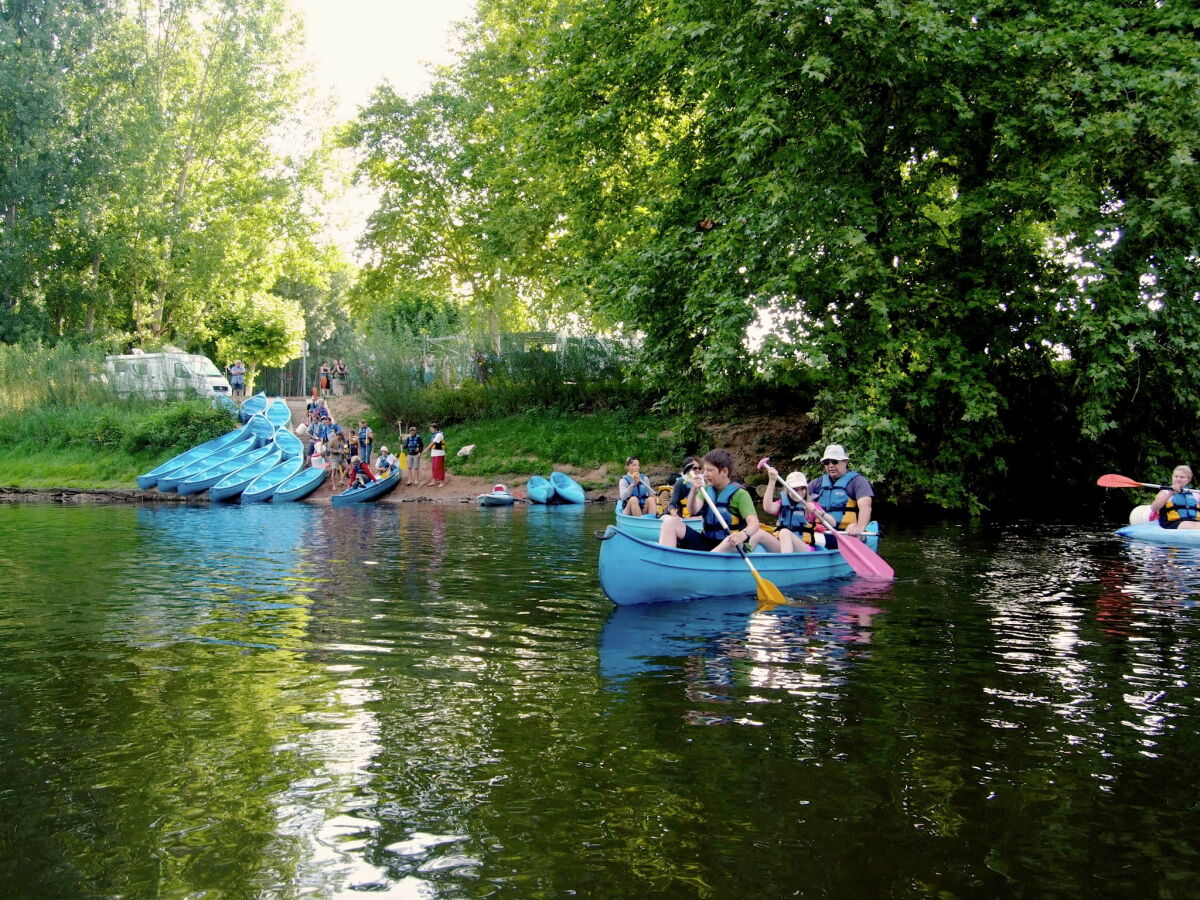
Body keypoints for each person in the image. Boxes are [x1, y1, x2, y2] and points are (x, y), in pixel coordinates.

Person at [659, 449, 760, 552]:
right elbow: (692, 510)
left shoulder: (740, 494)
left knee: (730, 539)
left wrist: (743, 534)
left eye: (710, 470)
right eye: (705, 470)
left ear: (724, 471)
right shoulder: (706, 490)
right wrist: (693, 491)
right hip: (707, 541)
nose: (705, 474)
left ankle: (706, 561)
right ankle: (667, 561)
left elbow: (754, 523)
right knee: (670, 522)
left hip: (730, 545)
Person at [808, 444, 874, 547]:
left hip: (848, 531)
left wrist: (859, 527)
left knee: (852, 529)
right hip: (823, 531)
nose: (830, 465)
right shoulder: (817, 483)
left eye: (834, 461)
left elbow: (865, 506)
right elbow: (797, 500)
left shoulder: (858, 482)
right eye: (826, 462)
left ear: (845, 462)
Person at [754, 466, 816, 553]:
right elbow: (768, 508)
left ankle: (786, 563)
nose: (798, 492)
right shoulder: (782, 503)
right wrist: (772, 481)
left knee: (784, 532)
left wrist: (817, 512)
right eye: (794, 489)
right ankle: (743, 562)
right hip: (784, 547)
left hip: (804, 548)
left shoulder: (812, 506)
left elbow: (832, 522)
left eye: (802, 488)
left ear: (806, 489)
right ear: (788, 490)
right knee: (758, 533)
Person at [1151, 466, 1200, 530]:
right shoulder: (1165, 492)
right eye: (1176, 476)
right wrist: (1170, 493)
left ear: (1188, 480)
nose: (1178, 479)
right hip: (1172, 523)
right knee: (1192, 525)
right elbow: (1154, 508)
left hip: (1194, 522)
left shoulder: (1195, 494)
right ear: (1172, 477)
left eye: (1182, 477)